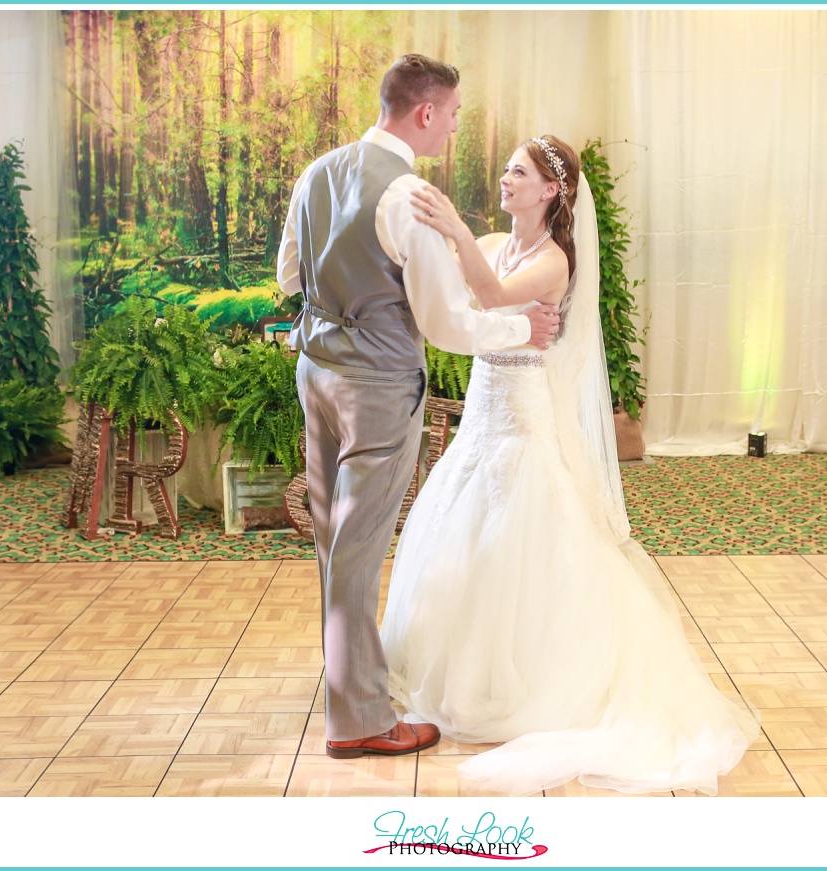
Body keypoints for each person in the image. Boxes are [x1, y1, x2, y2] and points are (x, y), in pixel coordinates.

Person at [381, 135, 761, 795]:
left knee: (523, 530)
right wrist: (426, 233)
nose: (504, 177)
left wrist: (454, 230)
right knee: (465, 528)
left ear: (551, 190)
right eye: (505, 167)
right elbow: (460, 286)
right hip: (483, 409)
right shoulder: (499, 242)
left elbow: (493, 295)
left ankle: (526, 672)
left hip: (521, 414)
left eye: (518, 171)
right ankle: (452, 664)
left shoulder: (553, 261)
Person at [275, 55, 562, 760]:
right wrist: (522, 328)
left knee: (332, 544)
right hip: (375, 386)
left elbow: (289, 274)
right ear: (425, 112)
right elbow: (448, 327)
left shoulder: (316, 173)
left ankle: (349, 685)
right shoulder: (407, 197)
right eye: (456, 113)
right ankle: (360, 719)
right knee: (360, 547)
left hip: (316, 372)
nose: (458, 126)